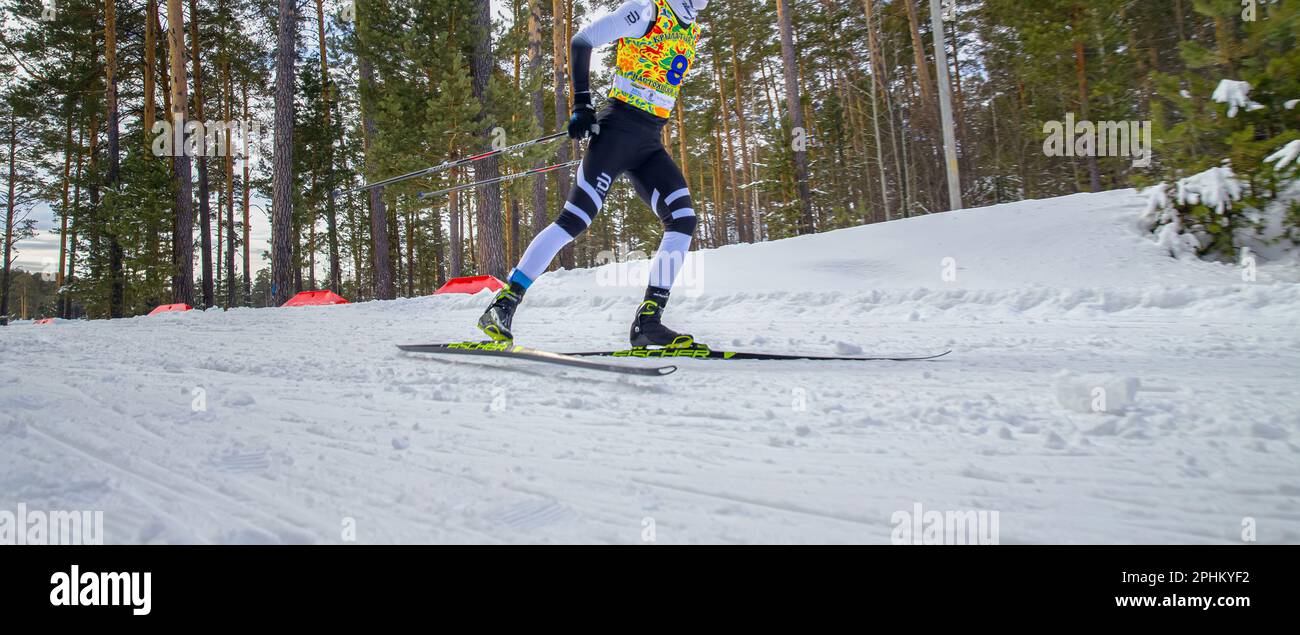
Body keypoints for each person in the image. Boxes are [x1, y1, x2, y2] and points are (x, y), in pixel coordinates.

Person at [478, 0, 709, 349]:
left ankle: (648, 322)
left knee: (683, 220)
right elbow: (583, 40)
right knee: (574, 220)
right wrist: (582, 104)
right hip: (617, 129)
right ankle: (504, 303)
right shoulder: (647, 10)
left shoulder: (690, 26)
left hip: (649, 141)